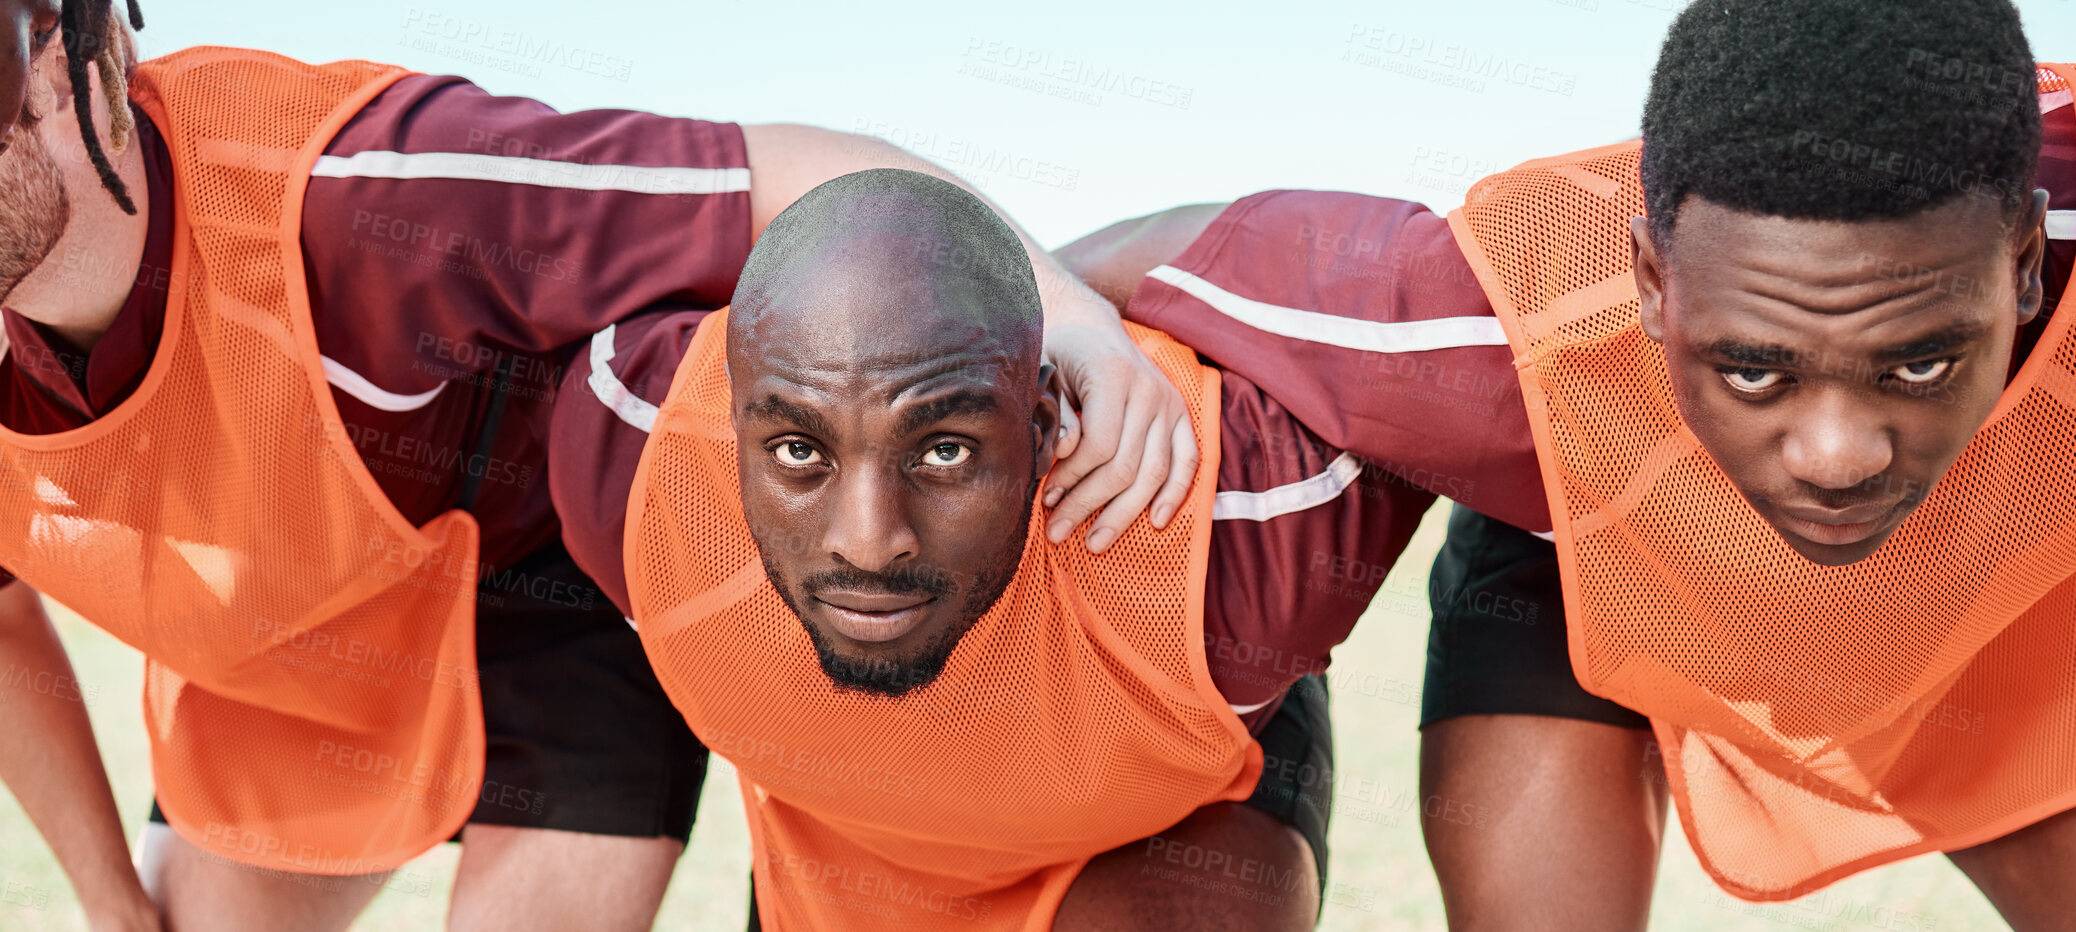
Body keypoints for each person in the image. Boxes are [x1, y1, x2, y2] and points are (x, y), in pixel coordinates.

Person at [0, 4, 1193, 929]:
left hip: (560, 614)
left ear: (57, 76)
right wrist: (108, 899)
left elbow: (793, 174)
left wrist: (1072, 319)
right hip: (287, 663)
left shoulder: (364, 191)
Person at [1059, 0, 2076, 927]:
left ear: (2019, 265)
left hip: (1960, 591)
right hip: (1571, 571)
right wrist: (1086, 335)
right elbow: (1070, 266)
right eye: (1753, 370)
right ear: (1647, 278)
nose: (1835, 456)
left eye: (1917, 364)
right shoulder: (1473, 320)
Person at [545, 166, 1560, 930]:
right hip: (844, 839)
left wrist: (1072, 306)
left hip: (1157, 819)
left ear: (1041, 424)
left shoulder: (1235, 523)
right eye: (801, 450)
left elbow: (1499, 374)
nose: (869, 539)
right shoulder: (622, 449)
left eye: (942, 448)